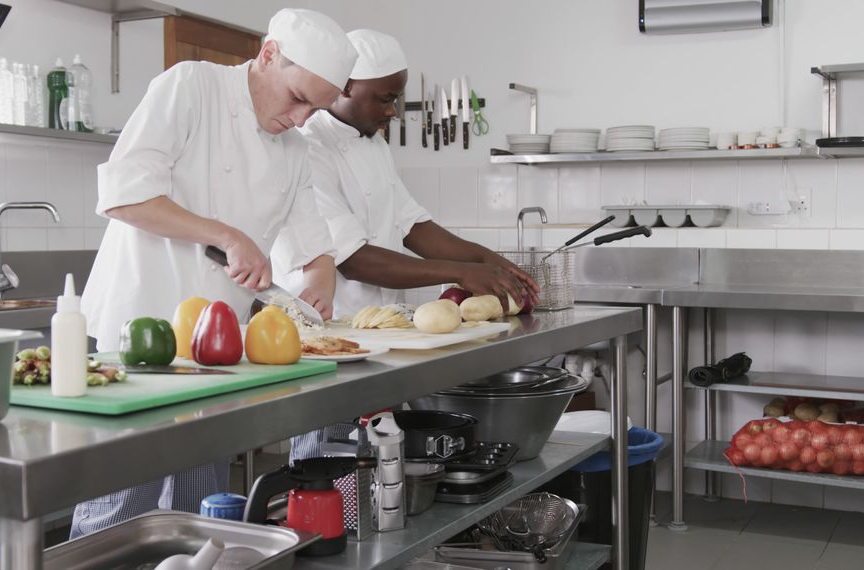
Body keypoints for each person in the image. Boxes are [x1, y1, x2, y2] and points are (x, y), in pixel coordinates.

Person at [72, 8, 357, 538]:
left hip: (212, 356)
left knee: (197, 512)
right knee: (118, 514)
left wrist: (320, 282)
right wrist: (224, 235)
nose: (300, 120)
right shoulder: (191, 87)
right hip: (136, 340)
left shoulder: (293, 148)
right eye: (298, 98)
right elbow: (123, 196)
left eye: (314, 110)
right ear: (269, 54)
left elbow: (314, 245)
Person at [277, 29, 538, 461]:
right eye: (385, 98)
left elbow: (415, 227)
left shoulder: (374, 145)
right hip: (330, 333)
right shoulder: (309, 146)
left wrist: (495, 264)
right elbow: (354, 260)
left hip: (380, 333)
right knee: (326, 455)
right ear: (345, 87)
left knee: (379, 452)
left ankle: (372, 520)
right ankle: (324, 524)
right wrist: (462, 272)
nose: (394, 111)